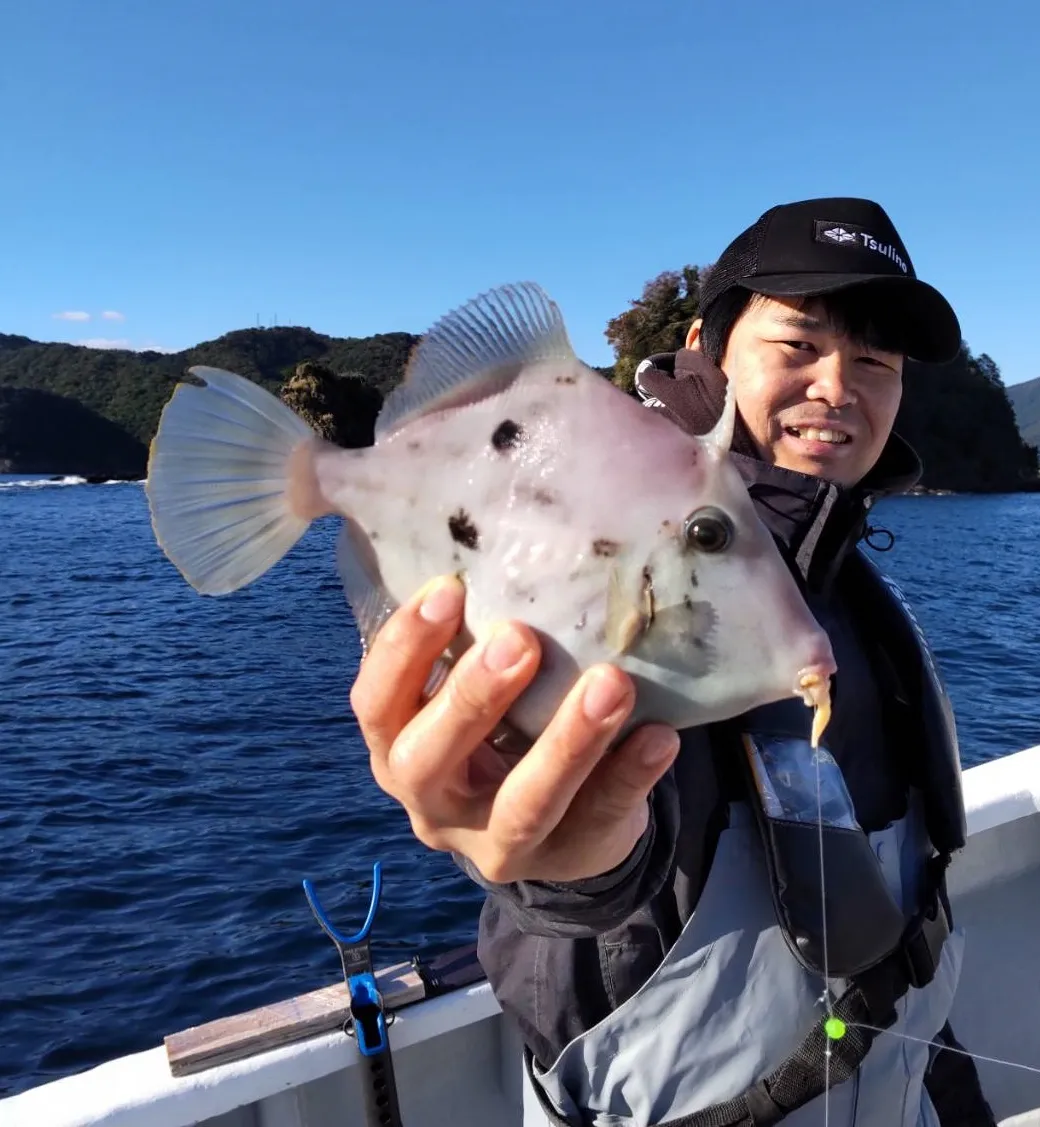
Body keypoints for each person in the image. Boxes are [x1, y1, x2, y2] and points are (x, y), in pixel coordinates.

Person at [352, 197, 997, 1127]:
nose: (837, 386)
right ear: (707, 345)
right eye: (798, 346)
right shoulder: (616, 533)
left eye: (875, 362)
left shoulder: (839, 576)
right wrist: (564, 858)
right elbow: (593, 823)